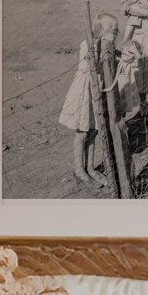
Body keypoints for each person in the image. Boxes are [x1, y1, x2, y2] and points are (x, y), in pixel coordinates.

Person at [57, 12, 120, 187]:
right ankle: (79, 169)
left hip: (97, 91)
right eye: (113, 31)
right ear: (102, 31)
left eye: (117, 31)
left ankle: (90, 167)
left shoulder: (109, 47)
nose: (117, 34)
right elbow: (86, 67)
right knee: (83, 131)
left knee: (94, 129)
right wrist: (98, 54)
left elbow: (116, 59)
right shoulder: (89, 45)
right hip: (85, 92)